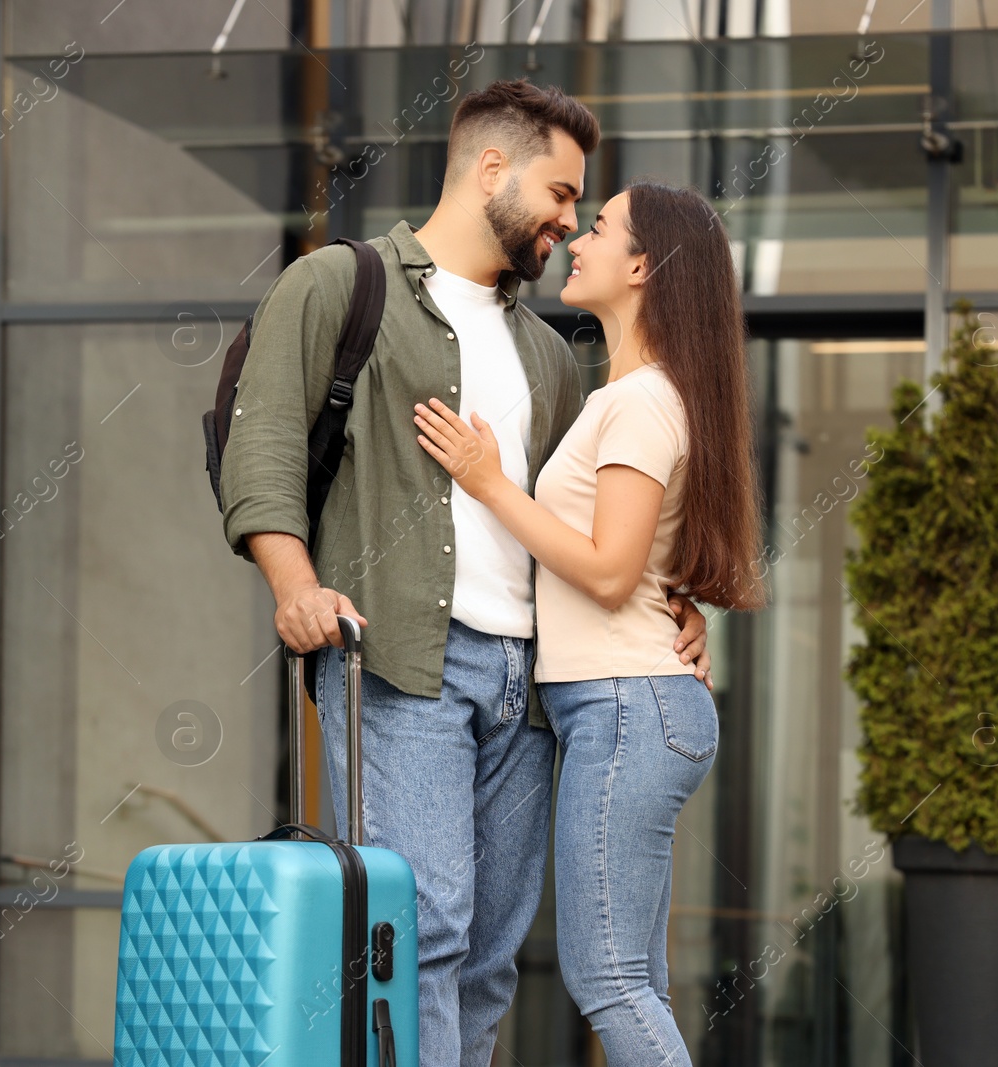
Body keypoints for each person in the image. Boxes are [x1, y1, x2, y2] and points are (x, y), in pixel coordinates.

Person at [218, 81, 714, 1065]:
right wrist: (293, 585)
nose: (569, 222)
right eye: (562, 195)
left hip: (528, 687)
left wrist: (675, 595)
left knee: (488, 952)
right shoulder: (339, 285)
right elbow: (263, 440)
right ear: (492, 168)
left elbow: (594, 517)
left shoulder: (548, 353)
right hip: (404, 661)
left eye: (582, 209)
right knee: (422, 928)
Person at [411, 180, 766, 1066]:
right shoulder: (642, 395)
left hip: (624, 709)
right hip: (631, 706)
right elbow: (637, 567)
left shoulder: (641, 401)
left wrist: (489, 481)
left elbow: (609, 571)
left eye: (599, 226)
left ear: (642, 265)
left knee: (607, 977)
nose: (577, 236)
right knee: (633, 974)